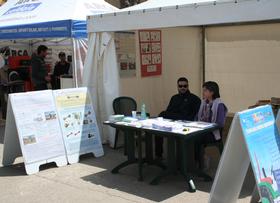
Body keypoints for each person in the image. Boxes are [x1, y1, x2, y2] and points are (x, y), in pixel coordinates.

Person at [155, 77, 201, 158]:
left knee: (163, 114)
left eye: (185, 86)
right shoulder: (174, 98)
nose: (183, 88)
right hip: (172, 122)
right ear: (177, 86)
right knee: (159, 125)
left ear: (188, 86)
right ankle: (158, 155)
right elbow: (168, 111)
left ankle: (183, 160)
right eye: (180, 86)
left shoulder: (194, 99)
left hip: (186, 123)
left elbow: (193, 116)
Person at [195, 81, 228, 168]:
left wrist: (206, 127)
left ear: (212, 92)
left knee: (195, 139)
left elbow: (220, 124)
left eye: (205, 90)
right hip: (203, 130)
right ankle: (194, 161)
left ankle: (202, 160)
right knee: (190, 137)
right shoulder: (203, 103)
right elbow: (198, 117)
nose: (203, 92)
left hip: (213, 133)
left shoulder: (219, 105)